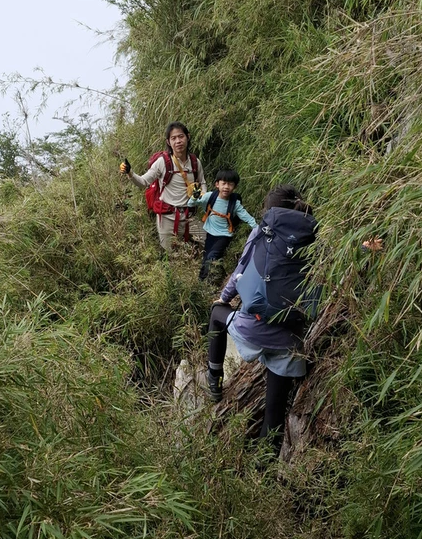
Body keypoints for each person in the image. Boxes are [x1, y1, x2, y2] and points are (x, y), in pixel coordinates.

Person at [205, 184, 318, 454]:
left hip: (253, 327)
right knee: (274, 416)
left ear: (270, 210)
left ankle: (214, 379)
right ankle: (265, 467)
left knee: (216, 314)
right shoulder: (313, 235)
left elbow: (239, 271)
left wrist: (223, 299)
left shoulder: (262, 232)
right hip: (290, 338)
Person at [120, 122, 207, 251]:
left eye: (181, 136)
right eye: (173, 138)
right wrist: (130, 173)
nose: (178, 141)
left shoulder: (195, 162)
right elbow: (143, 182)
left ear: (188, 137)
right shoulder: (163, 162)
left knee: (206, 244)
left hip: (190, 216)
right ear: (168, 142)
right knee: (170, 257)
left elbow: (202, 182)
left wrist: (203, 195)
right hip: (168, 218)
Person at [187, 169, 257, 281]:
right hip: (210, 233)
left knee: (211, 257)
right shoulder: (210, 196)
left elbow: (246, 216)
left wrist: (257, 228)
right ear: (217, 184)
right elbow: (190, 204)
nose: (226, 187)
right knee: (206, 257)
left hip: (224, 235)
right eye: (223, 183)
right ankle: (205, 280)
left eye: (230, 184)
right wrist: (195, 196)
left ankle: (207, 282)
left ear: (235, 187)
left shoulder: (235, 203)